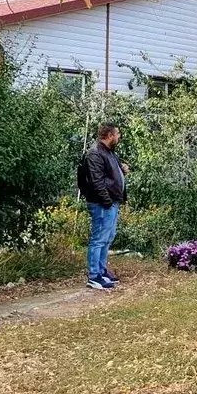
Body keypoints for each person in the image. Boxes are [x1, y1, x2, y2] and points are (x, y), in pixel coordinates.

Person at [78, 123, 129, 290]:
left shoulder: (109, 152)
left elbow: (109, 174)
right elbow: (96, 181)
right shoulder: (95, 153)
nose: (118, 136)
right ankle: (94, 276)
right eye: (117, 134)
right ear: (109, 135)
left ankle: (101, 271)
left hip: (112, 201)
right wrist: (106, 201)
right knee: (99, 238)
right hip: (102, 203)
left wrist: (121, 170)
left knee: (108, 237)